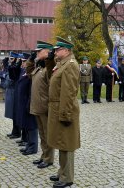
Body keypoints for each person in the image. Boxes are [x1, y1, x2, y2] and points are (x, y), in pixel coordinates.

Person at [47, 37, 80, 188]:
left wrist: (66, 114)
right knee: (61, 142)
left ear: (66, 50)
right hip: (57, 109)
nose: (55, 51)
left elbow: (69, 93)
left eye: (58, 49)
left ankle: (67, 178)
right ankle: (62, 173)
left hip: (64, 109)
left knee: (66, 144)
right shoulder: (62, 63)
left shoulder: (70, 65)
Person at [26, 41, 55, 169]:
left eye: (39, 51)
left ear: (47, 52)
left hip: (45, 106)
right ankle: (44, 156)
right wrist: (31, 60)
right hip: (37, 105)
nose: (36, 53)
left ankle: (49, 159)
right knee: (42, 134)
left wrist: (49, 60)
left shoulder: (49, 67)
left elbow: (51, 79)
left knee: (47, 134)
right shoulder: (39, 67)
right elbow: (28, 73)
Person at [15, 53, 38, 155]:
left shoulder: (32, 71)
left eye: (25, 61)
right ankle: (29, 144)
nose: (24, 63)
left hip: (29, 100)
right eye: (23, 61)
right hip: (24, 101)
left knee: (31, 125)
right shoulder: (24, 71)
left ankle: (33, 147)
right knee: (27, 125)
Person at [5, 52, 21, 139]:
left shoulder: (16, 68)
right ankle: (14, 131)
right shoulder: (11, 66)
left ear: (15, 59)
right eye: (9, 58)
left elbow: (13, 79)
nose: (10, 60)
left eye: (12, 58)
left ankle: (17, 132)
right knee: (12, 113)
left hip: (14, 91)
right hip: (10, 91)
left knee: (15, 113)